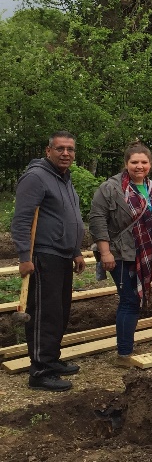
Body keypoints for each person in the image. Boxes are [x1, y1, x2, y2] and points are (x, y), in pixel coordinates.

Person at [11, 131, 85, 391]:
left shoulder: (64, 179)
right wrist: (24, 256)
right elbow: (21, 219)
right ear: (48, 151)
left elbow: (70, 217)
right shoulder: (36, 177)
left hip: (64, 254)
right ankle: (40, 371)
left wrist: (76, 250)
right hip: (44, 255)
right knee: (45, 314)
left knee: (60, 311)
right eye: (60, 149)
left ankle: (52, 361)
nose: (66, 153)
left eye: (70, 149)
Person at [90, 142, 152, 366]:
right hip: (120, 253)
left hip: (146, 253)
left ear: (150, 165)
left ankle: (126, 346)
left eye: (144, 162)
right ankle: (124, 354)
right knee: (129, 300)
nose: (139, 166)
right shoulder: (111, 188)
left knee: (134, 301)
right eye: (134, 162)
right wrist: (105, 252)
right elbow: (97, 220)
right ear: (126, 164)